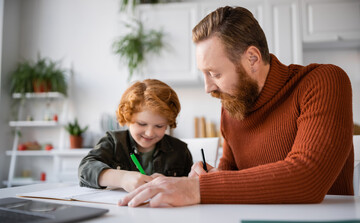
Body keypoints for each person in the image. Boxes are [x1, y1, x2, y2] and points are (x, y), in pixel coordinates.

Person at [119, 6, 354, 207]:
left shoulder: (324, 81)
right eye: (204, 74)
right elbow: (229, 175)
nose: (208, 87)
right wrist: (211, 176)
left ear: (252, 59)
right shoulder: (233, 104)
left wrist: (198, 188)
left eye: (215, 73)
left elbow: (308, 178)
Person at [78, 79, 193, 192]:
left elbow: (192, 185)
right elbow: (85, 169)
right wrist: (122, 178)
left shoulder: (180, 150)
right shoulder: (114, 142)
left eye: (159, 126)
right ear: (127, 118)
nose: (150, 133)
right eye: (142, 124)